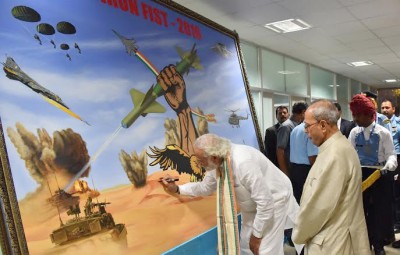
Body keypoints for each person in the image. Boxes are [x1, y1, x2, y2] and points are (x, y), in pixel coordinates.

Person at [160, 133, 299, 255]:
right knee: (245, 246)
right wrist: (177, 189)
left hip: (274, 200)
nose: (199, 164)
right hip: (252, 205)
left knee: (264, 249)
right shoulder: (217, 162)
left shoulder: (243, 163)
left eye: (200, 160)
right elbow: (205, 187)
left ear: (214, 157)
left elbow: (266, 203)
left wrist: (257, 236)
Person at [292, 99, 370, 255]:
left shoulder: (334, 154)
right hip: (335, 237)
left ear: (322, 125)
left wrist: (298, 233)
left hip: (332, 242)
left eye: (307, 126)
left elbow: (319, 207)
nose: (305, 132)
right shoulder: (336, 147)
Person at [348, 94, 397, 255]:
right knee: (361, 211)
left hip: (379, 175)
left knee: (379, 212)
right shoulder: (354, 132)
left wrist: (390, 164)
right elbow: (349, 154)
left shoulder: (384, 133)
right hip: (361, 175)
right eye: (354, 114)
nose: (355, 118)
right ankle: (363, 244)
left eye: (358, 114)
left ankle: (378, 245)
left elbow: (391, 154)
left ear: (369, 115)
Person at [381, 99, 400, 248]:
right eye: (382, 107)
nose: (384, 110)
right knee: (389, 194)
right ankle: (392, 223)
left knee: (398, 194)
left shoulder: (398, 123)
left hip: (397, 160)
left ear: (393, 109)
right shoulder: (379, 123)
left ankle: (397, 222)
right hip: (384, 162)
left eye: (387, 107)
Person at [289, 122, 318, 203]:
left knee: (297, 200)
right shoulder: (310, 130)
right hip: (305, 171)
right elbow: (312, 157)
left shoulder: (295, 129)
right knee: (307, 201)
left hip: (294, 169)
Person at [276, 102, 308, 176]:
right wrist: (285, 173)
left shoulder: (297, 125)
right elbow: (280, 151)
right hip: (290, 170)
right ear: (303, 112)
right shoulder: (286, 126)